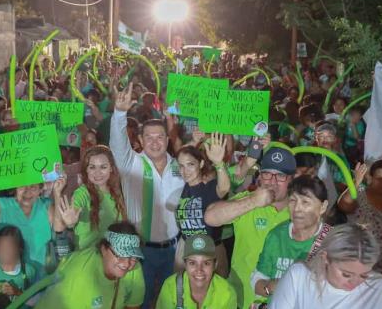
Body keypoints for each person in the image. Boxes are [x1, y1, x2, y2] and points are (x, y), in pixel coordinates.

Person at [110, 82, 185, 307]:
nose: (155, 142)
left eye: (160, 137)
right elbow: (117, 144)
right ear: (140, 141)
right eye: (149, 137)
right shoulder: (130, 164)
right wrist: (119, 113)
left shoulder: (181, 167)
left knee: (169, 302)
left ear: (167, 139)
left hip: (174, 250)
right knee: (138, 303)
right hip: (140, 251)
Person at [204, 147, 296, 309]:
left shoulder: (301, 209)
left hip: (285, 301)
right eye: (267, 174)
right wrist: (253, 201)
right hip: (242, 299)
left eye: (281, 176)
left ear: (291, 179)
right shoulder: (248, 201)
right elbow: (211, 217)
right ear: (260, 176)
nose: (272, 181)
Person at [269, 224, 382, 308]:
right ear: (326, 257)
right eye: (346, 274)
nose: (354, 282)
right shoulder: (299, 277)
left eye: (364, 275)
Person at [250, 175, 331, 305]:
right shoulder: (277, 235)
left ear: (323, 207)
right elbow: (257, 279)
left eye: (305, 202)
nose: (297, 209)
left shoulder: (332, 241)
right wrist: (270, 288)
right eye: (293, 201)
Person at [34, 222, 146, 309]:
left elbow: (133, 305)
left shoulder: (134, 268)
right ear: (103, 249)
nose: (126, 264)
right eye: (119, 255)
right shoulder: (80, 275)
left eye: (132, 256)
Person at [174, 133, 230, 275]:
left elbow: (223, 188)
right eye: (181, 166)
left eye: (190, 165)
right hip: (186, 249)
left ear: (201, 164)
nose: (185, 171)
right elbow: (183, 154)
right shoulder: (183, 188)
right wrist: (195, 140)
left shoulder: (209, 187)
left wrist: (218, 163)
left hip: (211, 251)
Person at [53, 145, 128, 251]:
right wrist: (70, 222)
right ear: (86, 170)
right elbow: (70, 217)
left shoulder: (118, 192)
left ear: (111, 168)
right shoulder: (82, 193)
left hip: (114, 259)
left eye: (103, 167)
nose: (97, 172)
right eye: (92, 167)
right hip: (89, 261)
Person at [155, 234, 237, 309]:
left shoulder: (227, 292)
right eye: (192, 263)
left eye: (206, 263)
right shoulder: (171, 287)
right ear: (185, 264)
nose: (199, 270)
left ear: (215, 264)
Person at [0, 226, 39, 305]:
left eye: (8, 246)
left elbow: (36, 302)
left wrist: (17, 292)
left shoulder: (29, 271)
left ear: (19, 249)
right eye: (0, 246)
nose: (3, 251)